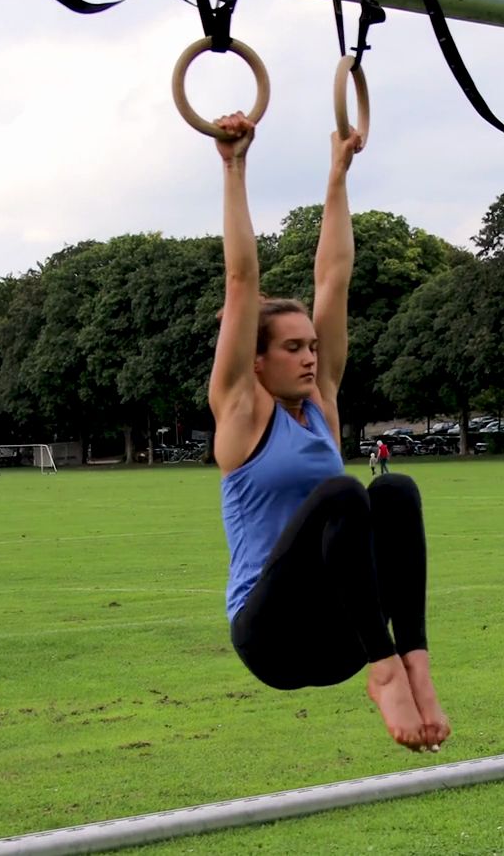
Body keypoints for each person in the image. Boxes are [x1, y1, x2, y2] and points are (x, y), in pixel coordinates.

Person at [208, 112, 449, 752]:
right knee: (343, 494)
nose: (311, 358)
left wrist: (339, 172)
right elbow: (241, 282)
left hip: (338, 632)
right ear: (256, 362)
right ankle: (384, 670)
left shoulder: (322, 405)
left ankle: (412, 659)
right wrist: (234, 167)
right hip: (271, 636)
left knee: (393, 492)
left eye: (313, 346)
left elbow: (333, 277)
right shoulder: (239, 414)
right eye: (292, 348)